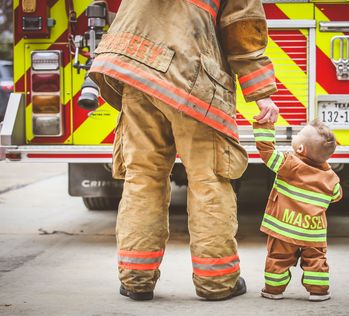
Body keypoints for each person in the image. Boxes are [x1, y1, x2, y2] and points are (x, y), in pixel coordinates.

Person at [88, 0, 279, 301]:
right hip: (192, 78)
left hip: (136, 74)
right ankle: (216, 282)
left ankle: (136, 279)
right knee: (209, 179)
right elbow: (242, 30)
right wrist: (262, 94)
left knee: (143, 178)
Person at [252, 119, 342, 301]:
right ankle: (318, 291)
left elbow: (267, 153)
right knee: (316, 260)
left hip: (284, 229)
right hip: (313, 233)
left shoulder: (289, 164)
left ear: (300, 149)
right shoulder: (331, 178)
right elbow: (336, 196)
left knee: (278, 258)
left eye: (297, 135)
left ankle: (273, 290)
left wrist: (265, 128)